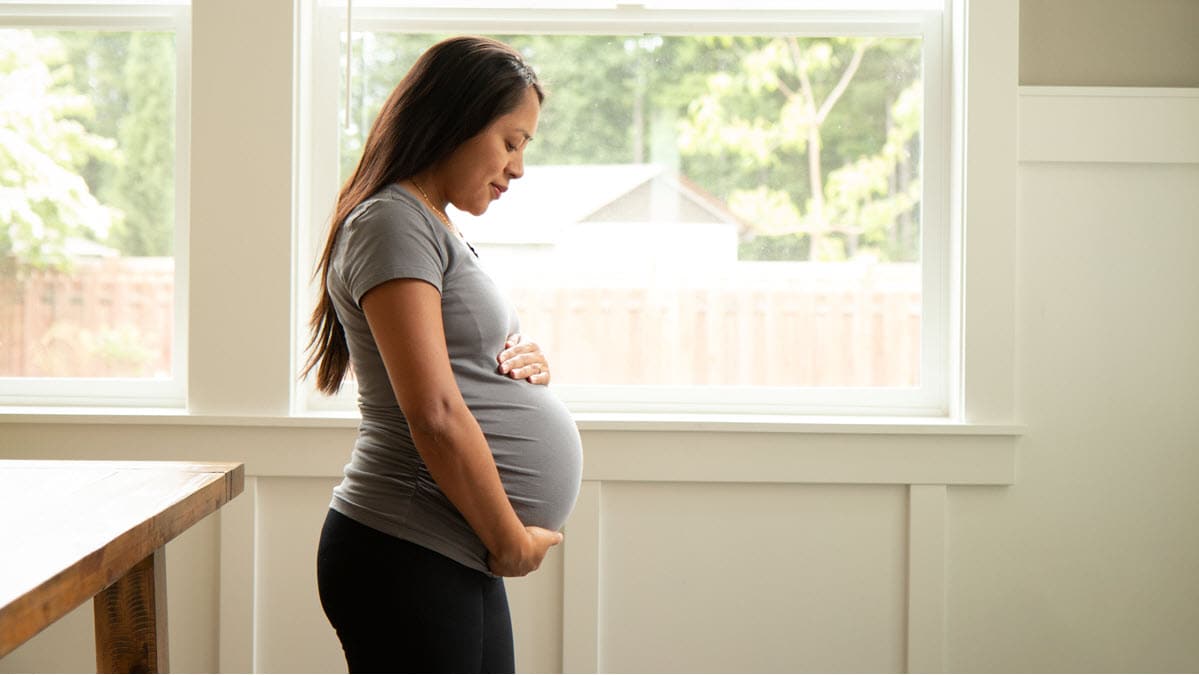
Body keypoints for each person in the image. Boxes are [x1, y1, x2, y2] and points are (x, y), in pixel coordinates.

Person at [302, 36, 583, 674]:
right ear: (454, 118)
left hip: (449, 544)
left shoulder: (426, 221)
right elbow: (432, 411)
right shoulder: (391, 222)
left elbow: (455, 368)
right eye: (510, 142)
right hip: (407, 547)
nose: (518, 168)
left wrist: (523, 371)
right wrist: (508, 538)